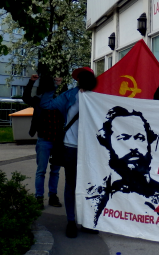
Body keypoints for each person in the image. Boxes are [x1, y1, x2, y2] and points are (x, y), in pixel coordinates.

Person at [86, 106, 159, 227]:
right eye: (124, 138)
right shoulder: (94, 195)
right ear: (109, 143)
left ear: (148, 143)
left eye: (140, 138)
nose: (133, 147)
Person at [40, 67, 98, 238]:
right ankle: (72, 221)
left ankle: (85, 221)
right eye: (81, 77)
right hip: (72, 148)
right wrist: (52, 87)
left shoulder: (99, 96)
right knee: (72, 184)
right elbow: (46, 105)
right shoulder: (70, 95)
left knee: (89, 185)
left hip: (90, 149)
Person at [23, 73, 64, 209]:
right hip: (44, 139)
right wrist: (31, 82)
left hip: (57, 141)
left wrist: (61, 85)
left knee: (54, 171)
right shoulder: (39, 100)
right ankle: (39, 197)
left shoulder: (59, 100)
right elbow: (26, 98)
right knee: (42, 171)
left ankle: (52, 196)